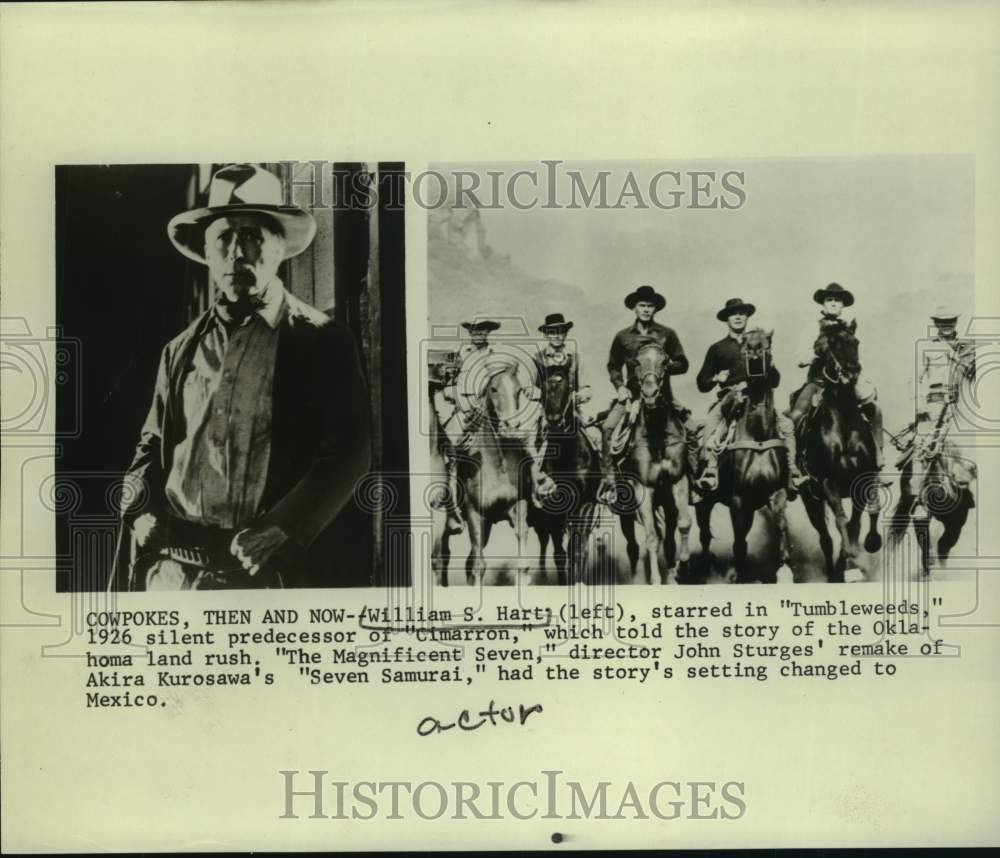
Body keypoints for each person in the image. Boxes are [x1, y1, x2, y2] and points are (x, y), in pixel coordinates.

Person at [109, 163, 372, 591]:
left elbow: (350, 452)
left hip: (264, 571)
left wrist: (283, 527)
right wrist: (141, 506)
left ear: (280, 246)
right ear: (208, 253)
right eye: (224, 239)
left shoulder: (322, 341)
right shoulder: (180, 350)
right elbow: (151, 443)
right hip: (174, 571)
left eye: (252, 236)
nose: (237, 253)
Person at [598, 284, 699, 499]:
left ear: (655, 309)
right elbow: (613, 365)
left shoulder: (667, 334)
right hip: (632, 396)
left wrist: (662, 365)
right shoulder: (622, 336)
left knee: (691, 430)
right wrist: (620, 387)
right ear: (635, 308)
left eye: (650, 306)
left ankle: (694, 482)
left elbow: (683, 363)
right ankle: (609, 482)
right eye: (642, 305)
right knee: (607, 428)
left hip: (663, 396)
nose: (646, 309)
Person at [694, 298, 803, 493]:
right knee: (711, 425)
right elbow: (701, 383)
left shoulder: (758, 343)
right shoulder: (717, 348)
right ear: (726, 319)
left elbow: (775, 381)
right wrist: (715, 378)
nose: (738, 317)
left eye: (742, 313)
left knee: (787, 426)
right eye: (733, 314)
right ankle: (710, 471)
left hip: (759, 400)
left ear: (747, 317)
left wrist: (770, 364)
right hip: (730, 398)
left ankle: (793, 472)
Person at [786, 282, 884, 470]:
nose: (833, 303)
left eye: (837, 300)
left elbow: (857, 356)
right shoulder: (812, 328)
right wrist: (817, 355)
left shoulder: (850, 328)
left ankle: (878, 457)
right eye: (829, 300)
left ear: (843, 305)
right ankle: (798, 464)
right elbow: (799, 358)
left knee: (875, 410)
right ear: (823, 304)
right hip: (818, 382)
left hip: (846, 383)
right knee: (795, 417)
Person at [430, 319, 500, 533]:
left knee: (517, 440)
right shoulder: (459, 354)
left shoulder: (496, 356)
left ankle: (525, 491)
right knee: (448, 448)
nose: (479, 333)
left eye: (483, 330)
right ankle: (451, 507)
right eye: (475, 330)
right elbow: (449, 384)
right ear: (470, 332)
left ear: (488, 332)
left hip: (491, 411)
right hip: (464, 411)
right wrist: (454, 395)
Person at [532, 313, 592, 419]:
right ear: (546, 335)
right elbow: (528, 387)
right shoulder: (537, 359)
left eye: (560, 331)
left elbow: (586, 387)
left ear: (566, 334)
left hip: (571, 409)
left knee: (591, 430)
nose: (556, 336)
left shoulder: (577, 358)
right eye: (552, 332)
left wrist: (579, 396)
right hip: (544, 410)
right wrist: (541, 394)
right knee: (530, 429)